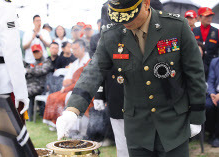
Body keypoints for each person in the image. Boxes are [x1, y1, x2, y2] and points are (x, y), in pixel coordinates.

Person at [56, 0, 206, 157]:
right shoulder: (112, 34)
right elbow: (93, 71)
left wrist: (197, 115)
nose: (124, 22)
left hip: (174, 123)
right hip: (137, 128)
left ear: (146, 4)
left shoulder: (176, 26)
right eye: (118, 16)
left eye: (128, 15)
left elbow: (195, 74)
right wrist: (72, 110)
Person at [0, 0, 29, 121]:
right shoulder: (4, 7)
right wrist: (21, 92)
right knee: (10, 134)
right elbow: (12, 51)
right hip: (5, 83)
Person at [43, 39, 90, 130]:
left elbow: (82, 80)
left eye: (76, 49)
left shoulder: (88, 61)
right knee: (52, 97)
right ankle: (56, 123)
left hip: (82, 90)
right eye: (73, 49)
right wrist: (69, 83)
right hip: (70, 88)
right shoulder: (75, 63)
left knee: (63, 98)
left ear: (83, 48)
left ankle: (66, 125)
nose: (73, 52)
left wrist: (71, 82)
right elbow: (66, 81)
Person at [25, 44, 52, 120]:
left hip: (41, 86)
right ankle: (25, 114)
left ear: (41, 52)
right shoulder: (32, 63)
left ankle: (29, 116)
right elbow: (29, 73)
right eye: (34, 52)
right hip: (30, 84)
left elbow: (42, 71)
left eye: (37, 52)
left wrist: (29, 70)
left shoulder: (46, 61)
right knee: (21, 91)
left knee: (27, 92)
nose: (36, 54)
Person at [193, 7, 219, 79]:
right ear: (200, 17)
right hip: (197, 66)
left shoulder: (217, 31)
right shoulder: (193, 31)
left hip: (212, 67)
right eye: (207, 16)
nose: (209, 18)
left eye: (210, 16)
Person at [206, 57, 219, 147]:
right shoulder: (215, 62)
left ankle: (217, 136)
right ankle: (211, 133)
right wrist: (212, 94)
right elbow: (210, 80)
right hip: (214, 94)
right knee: (208, 105)